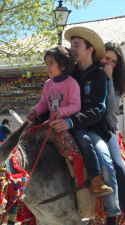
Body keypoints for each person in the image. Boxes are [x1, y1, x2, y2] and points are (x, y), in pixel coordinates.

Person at [51, 27, 121, 224]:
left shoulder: (98, 75)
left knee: (106, 163)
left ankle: (112, 214)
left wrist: (71, 121)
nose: (72, 48)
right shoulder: (68, 74)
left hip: (93, 129)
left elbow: (99, 109)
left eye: (77, 45)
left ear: (90, 50)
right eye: (71, 45)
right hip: (66, 125)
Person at [27, 45, 80, 122]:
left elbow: (76, 106)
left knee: (82, 135)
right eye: (46, 64)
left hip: (68, 125)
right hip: (52, 124)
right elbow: (43, 103)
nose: (47, 67)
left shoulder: (71, 83)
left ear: (63, 66)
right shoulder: (48, 84)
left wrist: (61, 112)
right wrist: (35, 111)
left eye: (51, 63)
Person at [101, 41, 125, 212]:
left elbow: (110, 109)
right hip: (83, 126)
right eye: (106, 58)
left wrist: (109, 79)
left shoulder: (116, 83)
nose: (109, 63)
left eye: (114, 61)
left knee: (118, 167)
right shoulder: (89, 73)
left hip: (106, 130)